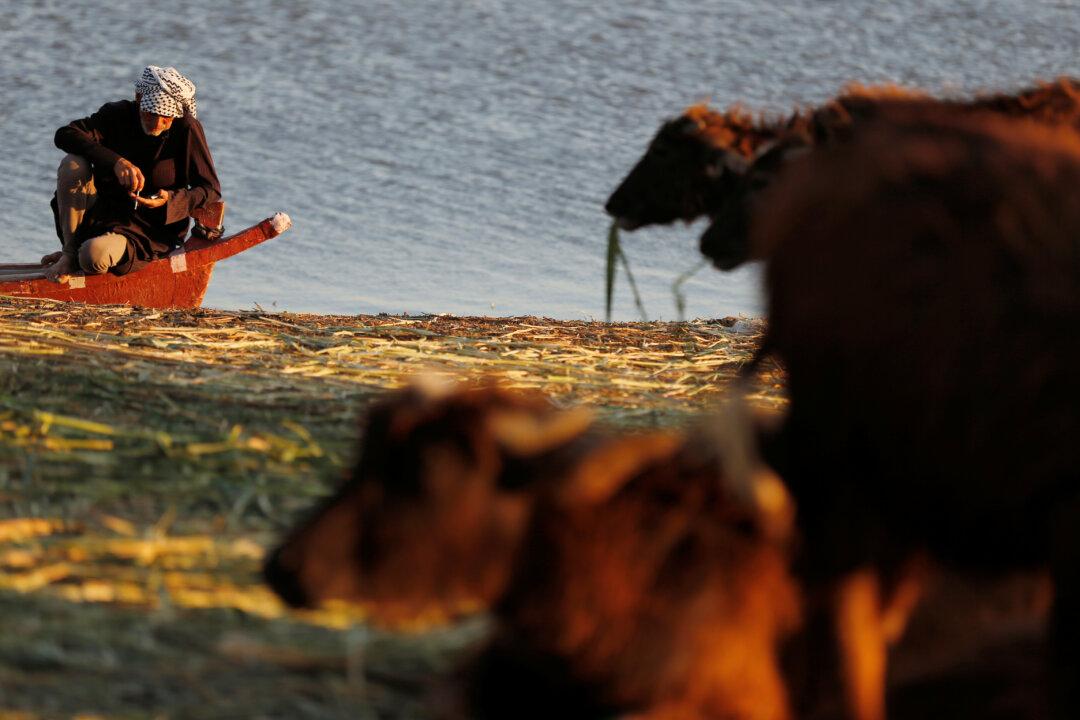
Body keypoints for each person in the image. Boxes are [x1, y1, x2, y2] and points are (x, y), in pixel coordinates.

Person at [44, 66, 222, 282]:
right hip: (102, 215)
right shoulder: (116, 115)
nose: (158, 124)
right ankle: (69, 254)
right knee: (73, 164)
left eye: (166, 117)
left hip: (148, 232)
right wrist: (116, 162)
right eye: (151, 113)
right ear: (139, 99)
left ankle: (85, 254)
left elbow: (210, 189)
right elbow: (65, 134)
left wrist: (170, 201)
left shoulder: (186, 128)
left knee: (92, 256)